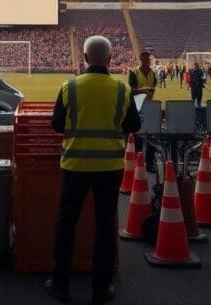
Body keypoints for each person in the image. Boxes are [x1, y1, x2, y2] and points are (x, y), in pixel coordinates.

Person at [46, 36, 141, 305]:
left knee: (66, 223)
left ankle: (60, 283)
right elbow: (134, 125)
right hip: (110, 168)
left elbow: (56, 124)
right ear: (110, 59)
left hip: (75, 166)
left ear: (85, 58)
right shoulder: (122, 90)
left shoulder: (69, 87)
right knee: (105, 227)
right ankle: (100, 289)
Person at [128, 50, 158, 172]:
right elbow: (130, 90)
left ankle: (150, 163)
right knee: (138, 136)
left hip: (149, 107)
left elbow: (153, 86)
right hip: (137, 107)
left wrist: (150, 90)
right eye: (145, 60)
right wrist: (143, 90)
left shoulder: (152, 74)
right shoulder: (134, 72)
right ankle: (138, 163)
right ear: (140, 60)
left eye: (148, 60)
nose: (147, 62)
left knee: (151, 135)